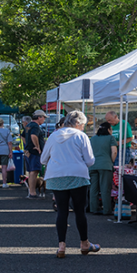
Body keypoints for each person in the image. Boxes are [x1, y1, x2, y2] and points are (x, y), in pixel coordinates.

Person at [41, 110, 99, 258]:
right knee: (80, 211)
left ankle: (61, 246)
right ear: (78, 123)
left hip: (56, 176)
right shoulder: (81, 136)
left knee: (62, 211)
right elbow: (90, 161)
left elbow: (43, 159)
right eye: (83, 125)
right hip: (77, 175)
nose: (83, 128)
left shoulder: (53, 136)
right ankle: (84, 243)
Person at [89, 122, 117, 216]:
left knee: (93, 188)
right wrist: (110, 161)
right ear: (109, 129)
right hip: (105, 165)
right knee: (105, 188)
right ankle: (107, 210)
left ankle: (94, 208)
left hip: (93, 165)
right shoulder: (110, 138)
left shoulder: (92, 139)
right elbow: (114, 152)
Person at [25, 110, 46, 198]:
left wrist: (27, 145)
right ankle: (32, 192)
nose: (44, 119)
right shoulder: (35, 126)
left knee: (31, 172)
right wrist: (37, 146)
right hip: (34, 152)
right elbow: (33, 136)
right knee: (34, 172)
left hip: (28, 151)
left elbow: (23, 136)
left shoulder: (28, 125)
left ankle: (31, 191)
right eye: (44, 117)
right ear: (39, 117)